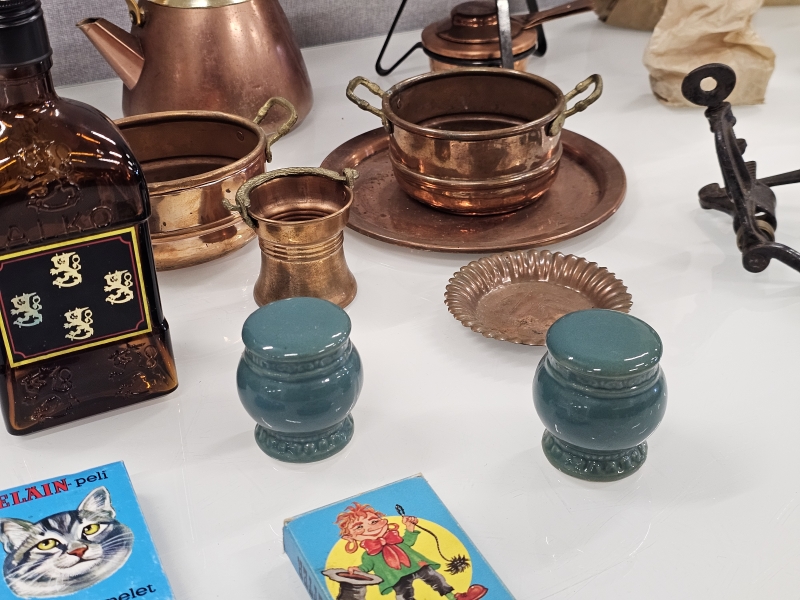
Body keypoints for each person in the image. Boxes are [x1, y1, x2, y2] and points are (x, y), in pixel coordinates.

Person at [335, 502, 487, 600]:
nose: (370, 528)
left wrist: (409, 528)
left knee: (437, 579)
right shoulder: (369, 553)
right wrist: (357, 570)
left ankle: (454, 597)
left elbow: (408, 542)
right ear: (350, 537)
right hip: (396, 576)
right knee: (404, 594)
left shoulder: (394, 538)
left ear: (383, 521)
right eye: (359, 527)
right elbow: (366, 566)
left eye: (374, 521)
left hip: (418, 565)